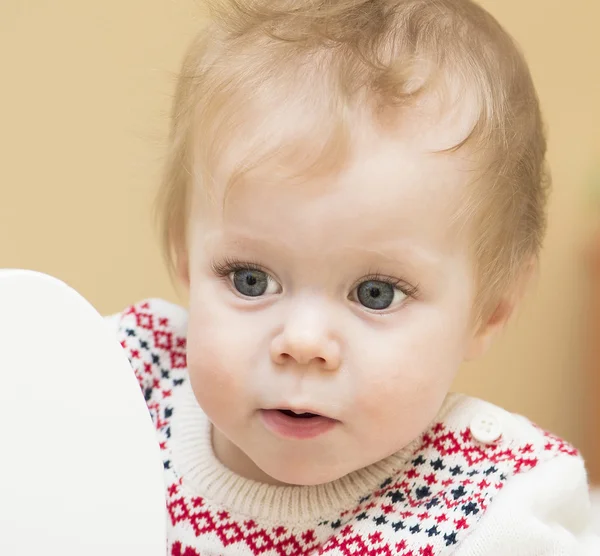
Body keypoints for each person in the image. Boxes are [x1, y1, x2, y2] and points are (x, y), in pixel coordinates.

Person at [106, 0, 599, 553]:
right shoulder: (115, 387)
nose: (303, 342)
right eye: (250, 279)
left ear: (491, 309)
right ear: (185, 259)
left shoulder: (495, 509)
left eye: (376, 293)